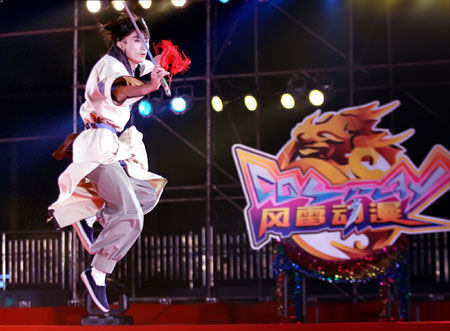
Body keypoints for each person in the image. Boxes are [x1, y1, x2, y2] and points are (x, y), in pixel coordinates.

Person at [48, 13, 168, 312]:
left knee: (148, 193)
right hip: (98, 148)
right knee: (131, 216)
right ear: (120, 42)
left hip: (113, 146)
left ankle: (89, 214)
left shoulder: (132, 63)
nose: (144, 46)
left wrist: (159, 69)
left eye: (147, 41)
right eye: (137, 41)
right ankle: (97, 272)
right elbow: (120, 89)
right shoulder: (112, 68)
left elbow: (147, 67)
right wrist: (148, 88)